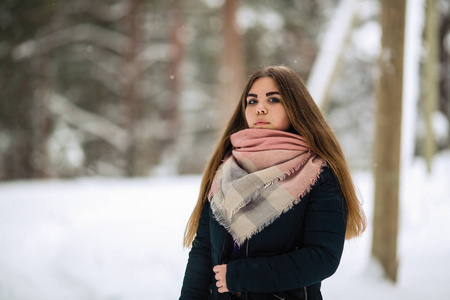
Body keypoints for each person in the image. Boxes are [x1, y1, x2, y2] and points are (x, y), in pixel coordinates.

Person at [180, 65, 366, 300]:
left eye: (273, 100)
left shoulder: (319, 173)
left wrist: (241, 276)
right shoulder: (224, 170)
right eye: (252, 101)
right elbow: (204, 250)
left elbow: (322, 257)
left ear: (295, 107)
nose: (260, 109)